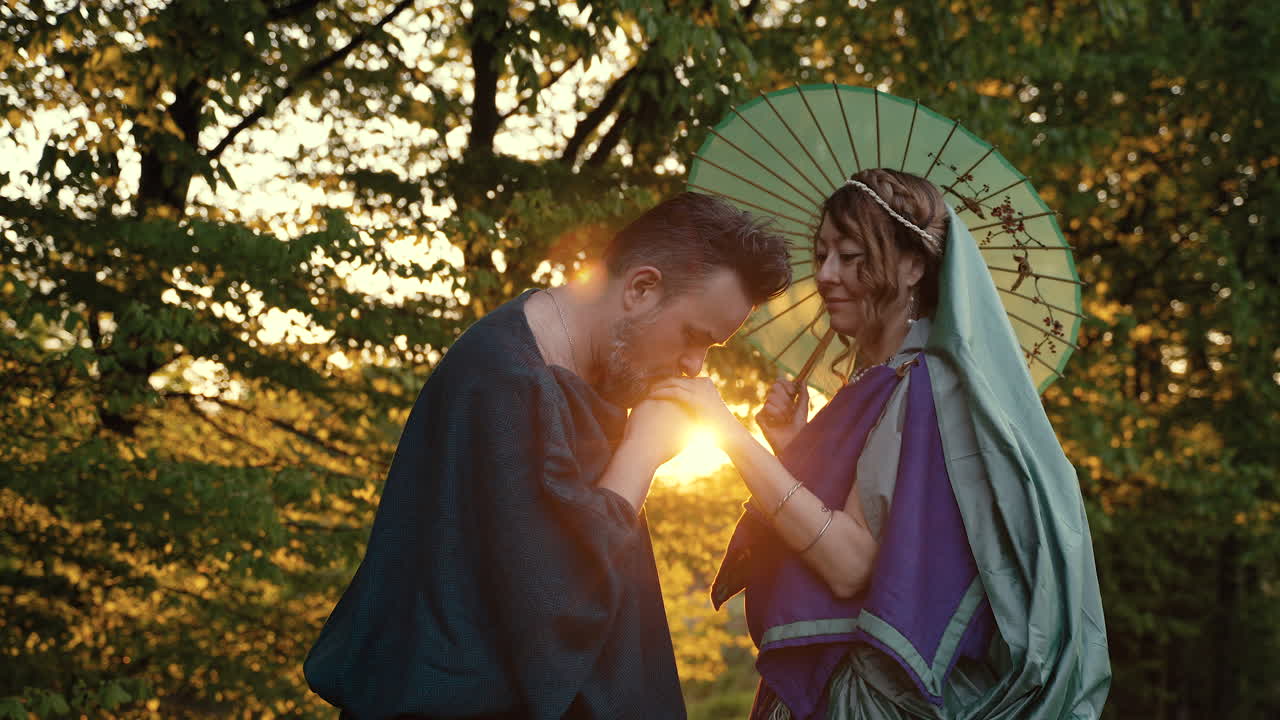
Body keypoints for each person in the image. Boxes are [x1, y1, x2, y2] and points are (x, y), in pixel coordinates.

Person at [302, 191, 792, 720]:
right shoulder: (504, 381)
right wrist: (643, 451)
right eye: (693, 337)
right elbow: (558, 601)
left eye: (710, 349)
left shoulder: (591, 376)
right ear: (642, 288)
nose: (695, 366)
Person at [648, 169, 1111, 719]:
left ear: (914, 265)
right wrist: (792, 443)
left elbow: (849, 564)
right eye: (821, 254)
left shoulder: (927, 388)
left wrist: (729, 434)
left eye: (850, 256)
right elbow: (841, 518)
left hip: (865, 698)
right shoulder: (878, 382)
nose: (825, 274)